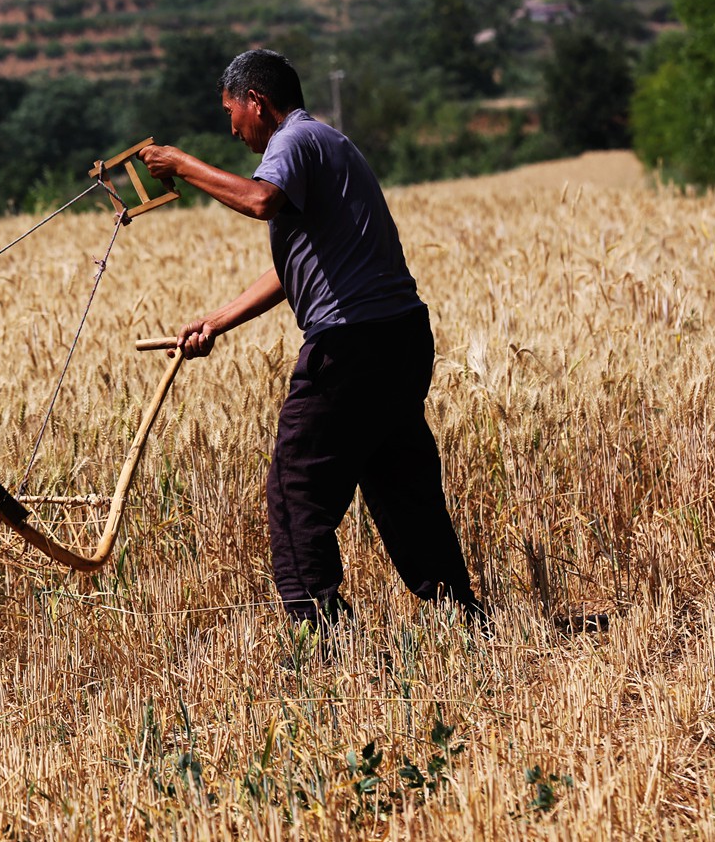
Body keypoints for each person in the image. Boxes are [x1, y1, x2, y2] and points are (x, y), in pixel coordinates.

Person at [138, 48, 482, 636]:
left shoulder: (292, 142)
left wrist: (180, 164)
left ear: (257, 102)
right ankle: (465, 619)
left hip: (349, 347)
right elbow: (294, 270)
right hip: (400, 339)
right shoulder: (327, 144)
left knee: (296, 489)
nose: (232, 127)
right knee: (401, 483)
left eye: (231, 113)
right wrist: (215, 321)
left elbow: (258, 200)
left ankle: (320, 637)